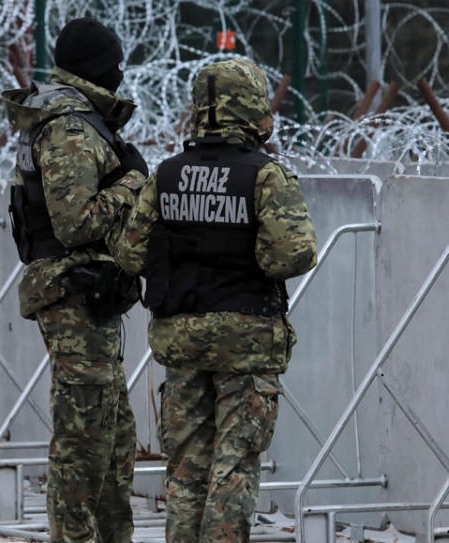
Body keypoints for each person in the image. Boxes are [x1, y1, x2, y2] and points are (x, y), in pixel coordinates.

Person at [107, 58, 318, 543]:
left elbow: (130, 252)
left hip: (182, 338)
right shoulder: (265, 176)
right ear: (253, 107)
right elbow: (294, 253)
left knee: (186, 469)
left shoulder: (167, 175)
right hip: (245, 340)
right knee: (234, 466)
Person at [2, 17, 148, 543]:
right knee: (84, 441)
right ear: (94, 68)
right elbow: (76, 223)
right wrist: (133, 180)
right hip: (72, 291)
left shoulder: (71, 117)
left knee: (113, 435)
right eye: (114, 65)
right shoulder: (70, 126)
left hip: (84, 293)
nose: (120, 74)